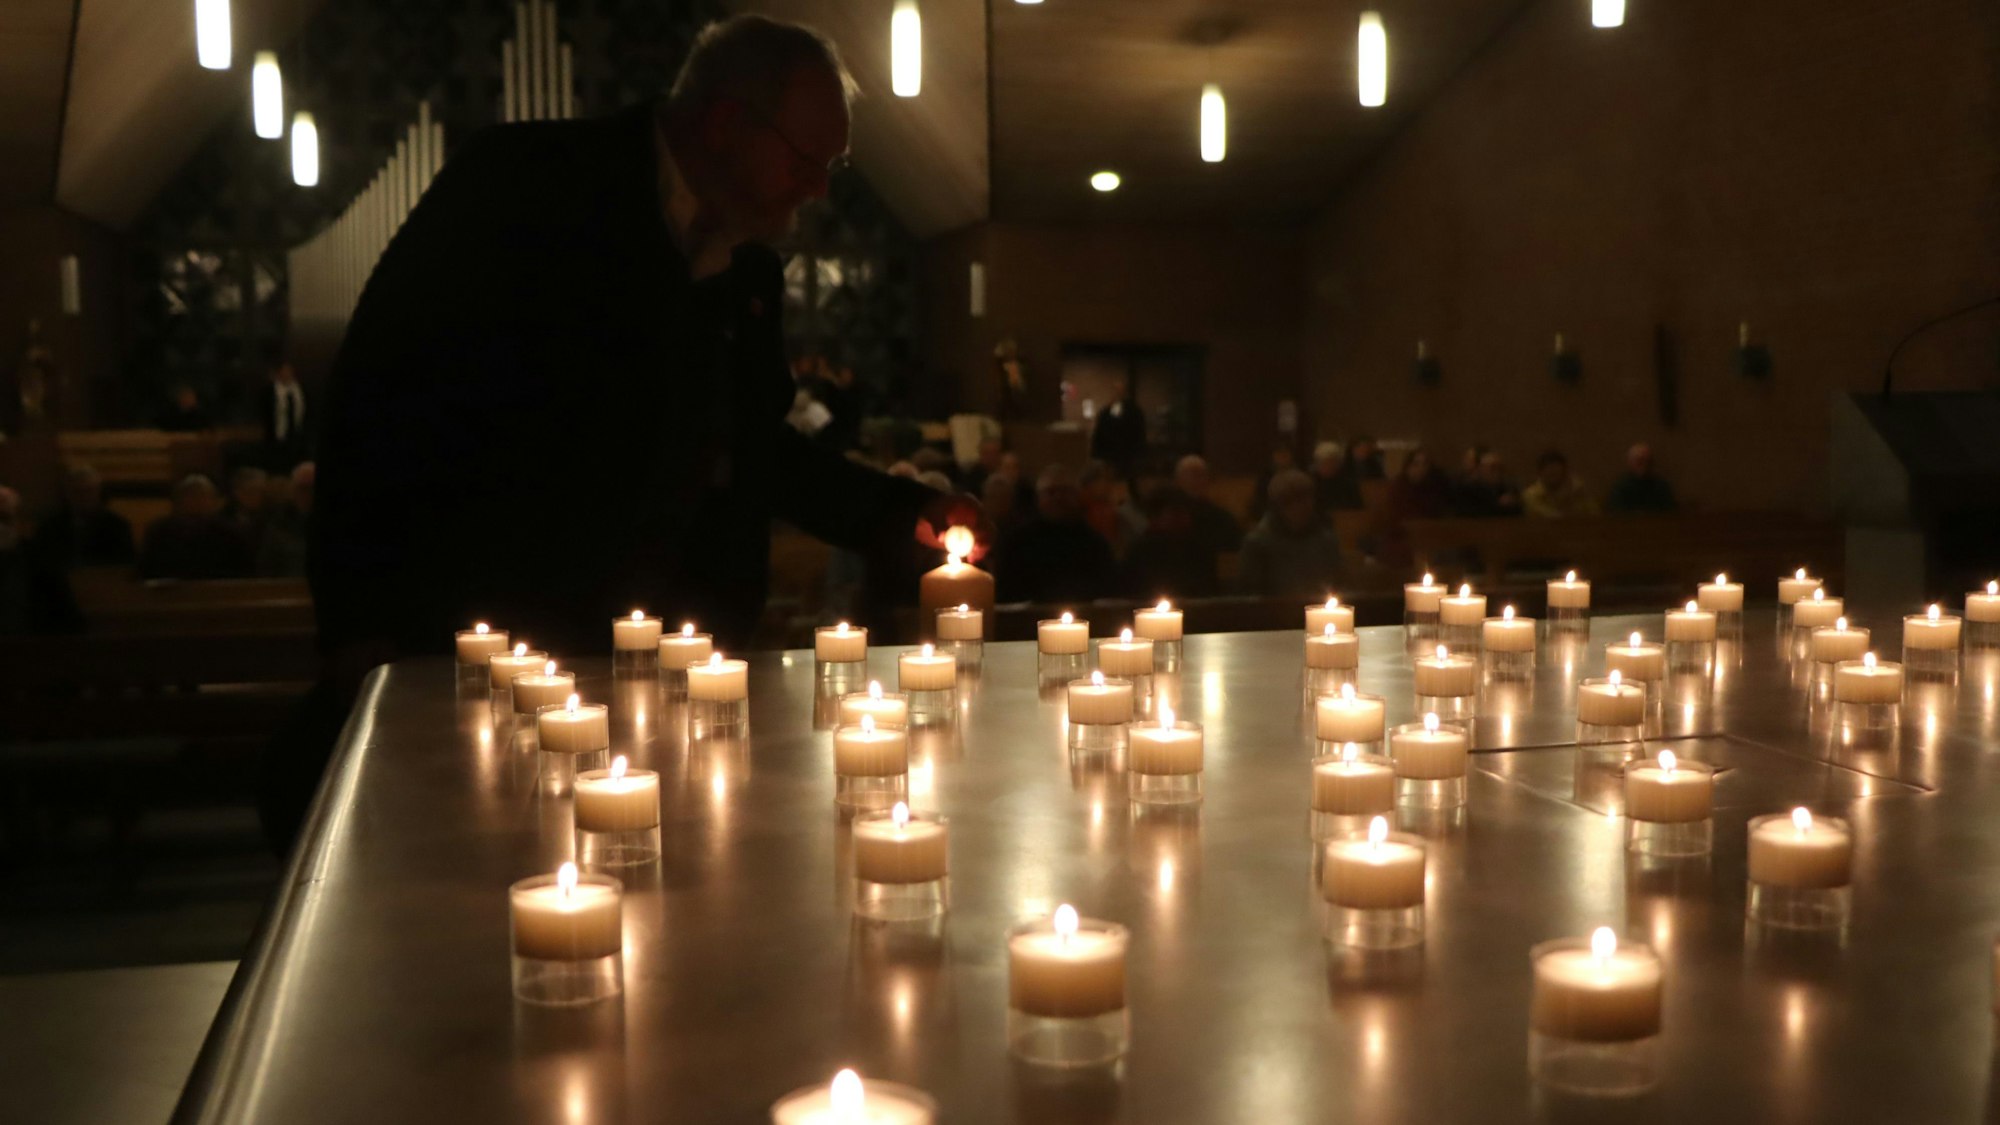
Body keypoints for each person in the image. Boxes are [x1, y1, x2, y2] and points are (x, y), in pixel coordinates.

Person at [279, 17, 980, 849]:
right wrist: (358, 624)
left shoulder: (747, 264)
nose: (818, 191)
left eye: (832, 169)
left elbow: (755, 448)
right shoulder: (526, 184)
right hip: (495, 642)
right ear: (725, 124)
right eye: (805, 163)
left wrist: (903, 515)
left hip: (665, 667)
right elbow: (379, 394)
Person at [990, 464, 1117, 605]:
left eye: (1065, 491)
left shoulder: (1095, 545)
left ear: (1076, 496)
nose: (1058, 498)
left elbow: (1106, 594)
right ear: (1039, 498)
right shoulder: (1017, 542)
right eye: (1051, 492)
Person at [1236, 469, 1343, 599]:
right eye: (1293, 501)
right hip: (1273, 614)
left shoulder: (1326, 540)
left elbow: (1337, 585)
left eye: (1307, 498)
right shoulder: (1258, 543)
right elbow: (1252, 594)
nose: (1303, 506)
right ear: (1278, 506)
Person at [140, 474, 252, 580]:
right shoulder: (160, 532)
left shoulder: (231, 534)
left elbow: (243, 572)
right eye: (190, 495)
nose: (197, 501)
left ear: (214, 501)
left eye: (203, 496)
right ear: (178, 501)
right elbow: (146, 571)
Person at [1121, 485, 1219, 599]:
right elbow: (1131, 594)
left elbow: (1207, 593)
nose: (1184, 518)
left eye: (1186, 512)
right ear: (1155, 518)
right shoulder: (1140, 551)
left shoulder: (1198, 550)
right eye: (1176, 513)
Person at [31, 463, 136, 569]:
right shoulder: (49, 527)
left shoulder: (117, 526)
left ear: (99, 491)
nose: (84, 497)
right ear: (67, 493)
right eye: (77, 491)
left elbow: (124, 564)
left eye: (89, 490)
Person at [1173, 454, 1244, 560]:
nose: (1196, 481)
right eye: (1191, 475)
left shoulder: (1223, 519)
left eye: (1201, 475)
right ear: (1178, 481)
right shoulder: (1170, 517)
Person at [257, 462, 315, 577]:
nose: (309, 494)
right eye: (303, 488)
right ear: (293, 490)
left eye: (313, 488)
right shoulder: (275, 522)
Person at [258, 361, 313, 471]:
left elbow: (308, 412)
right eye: (284, 371)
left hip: (299, 438)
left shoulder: (301, 390)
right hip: (277, 438)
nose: (287, 374)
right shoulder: (270, 392)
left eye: (289, 371)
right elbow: (265, 413)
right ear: (278, 373)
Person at [1088, 378, 1147, 478]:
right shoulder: (1107, 411)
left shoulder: (1134, 411)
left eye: (1120, 390)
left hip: (1127, 453)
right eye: (1115, 390)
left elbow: (1139, 433)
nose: (1117, 393)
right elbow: (1100, 431)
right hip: (1111, 453)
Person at [1522, 449, 1599, 519]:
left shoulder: (1579, 490)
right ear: (1540, 474)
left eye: (1556, 473)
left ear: (1565, 473)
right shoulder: (1531, 495)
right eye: (1550, 474)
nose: (1553, 477)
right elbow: (1552, 518)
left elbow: (1596, 515)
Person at [1606, 442, 1678, 513]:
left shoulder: (1661, 486)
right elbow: (1616, 513)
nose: (1644, 465)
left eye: (1648, 461)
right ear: (1630, 462)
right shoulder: (1620, 486)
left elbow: (1670, 512)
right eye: (1640, 461)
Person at [1453, 450, 1521, 518]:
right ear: (1481, 469)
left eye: (1500, 468)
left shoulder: (1508, 489)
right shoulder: (1467, 490)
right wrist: (1499, 505)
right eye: (1493, 468)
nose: (1497, 472)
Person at [1310, 440, 1362, 515]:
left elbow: (1356, 510)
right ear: (1317, 464)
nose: (1328, 466)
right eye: (1324, 463)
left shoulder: (1349, 484)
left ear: (1339, 464)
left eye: (1332, 463)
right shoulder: (1310, 483)